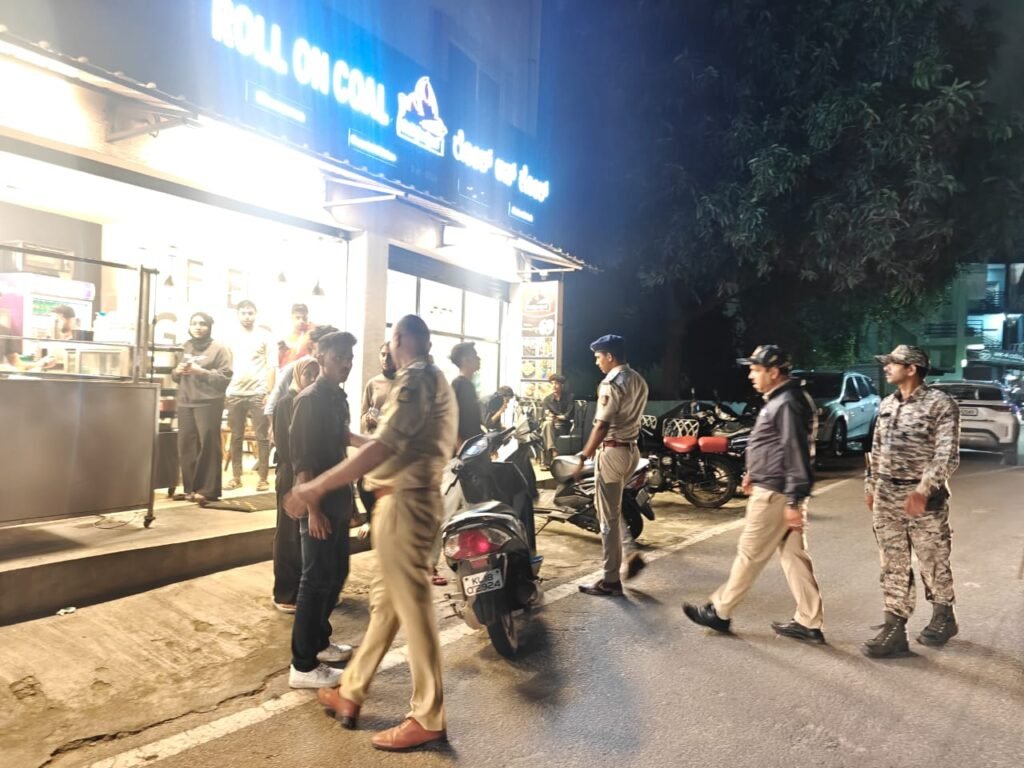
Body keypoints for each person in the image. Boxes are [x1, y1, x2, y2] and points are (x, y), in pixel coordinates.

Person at [285, 314, 457, 752]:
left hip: (405, 502)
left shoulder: (416, 378)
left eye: (389, 343)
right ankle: (352, 690)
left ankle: (428, 715)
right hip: (404, 501)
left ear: (400, 340)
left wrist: (315, 487)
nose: (348, 362)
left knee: (413, 608)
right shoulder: (432, 380)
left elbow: (383, 446)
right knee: (385, 606)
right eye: (341, 356)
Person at [682, 345, 825, 642]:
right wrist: (753, 472)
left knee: (750, 553)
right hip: (778, 488)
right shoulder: (783, 399)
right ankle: (809, 621)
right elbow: (774, 446)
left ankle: (720, 611)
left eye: (756, 370)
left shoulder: (787, 403)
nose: (751, 375)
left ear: (774, 372)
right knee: (794, 557)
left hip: (776, 494)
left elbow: (796, 453)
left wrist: (793, 501)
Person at [863, 345, 961, 658]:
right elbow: (876, 449)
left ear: (912, 368)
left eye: (892, 363)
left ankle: (944, 615)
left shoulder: (939, 404)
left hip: (923, 498)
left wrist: (923, 490)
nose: (886, 367)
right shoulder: (887, 403)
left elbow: (946, 455)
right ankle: (895, 628)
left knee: (932, 559)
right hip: (887, 496)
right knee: (892, 563)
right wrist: (871, 485)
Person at [286, 331, 360, 688]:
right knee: (314, 580)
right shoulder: (309, 400)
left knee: (336, 573)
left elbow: (342, 439)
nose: (346, 363)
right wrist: (313, 511)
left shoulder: (337, 397)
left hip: (339, 500)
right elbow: (302, 461)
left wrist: (372, 444)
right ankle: (302, 666)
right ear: (320, 358)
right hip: (319, 504)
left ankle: (320, 642)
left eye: (349, 357)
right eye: (339, 357)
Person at [577, 334, 649, 596]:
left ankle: (610, 580)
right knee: (611, 509)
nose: (597, 362)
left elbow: (602, 425)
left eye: (598, 357)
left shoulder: (611, 383)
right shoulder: (638, 380)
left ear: (610, 356)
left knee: (606, 519)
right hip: (631, 451)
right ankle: (629, 551)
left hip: (612, 452)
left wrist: (584, 456)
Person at [271, 356, 320, 614]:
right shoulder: (286, 403)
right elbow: (284, 444)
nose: (312, 379)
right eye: (307, 374)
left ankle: (306, 591)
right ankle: (285, 593)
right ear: (297, 375)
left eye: (315, 374)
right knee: (288, 536)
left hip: (309, 474)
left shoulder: (315, 402)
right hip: (290, 474)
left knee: (306, 538)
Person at [172, 312, 233, 503]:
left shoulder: (219, 349)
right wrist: (177, 371)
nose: (198, 327)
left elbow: (225, 378)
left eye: (202, 324)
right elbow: (174, 376)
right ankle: (190, 488)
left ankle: (208, 490)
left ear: (210, 326)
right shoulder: (184, 347)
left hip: (208, 402)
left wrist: (202, 372)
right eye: (194, 323)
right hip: (185, 401)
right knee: (186, 445)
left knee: (208, 445)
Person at [224, 300, 275, 492]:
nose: (247, 316)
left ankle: (263, 478)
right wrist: (226, 390)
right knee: (236, 436)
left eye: (250, 313)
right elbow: (227, 365)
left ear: (255, 314)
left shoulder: (265, 336)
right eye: (243, 313)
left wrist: (269, 392)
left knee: (262, 437)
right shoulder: (230, 336)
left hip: (258, 392)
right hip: (235, 392)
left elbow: (272, 366)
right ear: (238, 314)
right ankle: (236, 477)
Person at [265, 324, 338, 418]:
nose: (327, 351)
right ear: (312, 345)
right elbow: (271, 408)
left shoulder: (330, 372)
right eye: (324, 346)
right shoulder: (294, 368)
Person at [450, 341, 483, 448]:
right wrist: (460, 448)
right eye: (475, 356)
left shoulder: (469, 385)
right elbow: (451, 420)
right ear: (465, 360)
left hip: (473, 447)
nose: (479, 359)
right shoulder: (458, 385)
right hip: (463, 449)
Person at [361, 342, 397, 434]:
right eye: (383, 354)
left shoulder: (403, 383)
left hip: (394, 438)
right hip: (373, 436)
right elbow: (363, 415)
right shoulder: (372, 383)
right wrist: (368, 419)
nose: (386, 359)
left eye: (390, 356)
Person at [541, 373, 576, 466]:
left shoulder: (569, 397)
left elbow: (568, 415)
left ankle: (547, 459)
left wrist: (556, 417)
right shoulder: (547, 399)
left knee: (546, 427)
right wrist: (550, 416)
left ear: (562, 385)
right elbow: (544, 415)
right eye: (552, 383)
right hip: (551, 425)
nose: (554, 386)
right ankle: (554, 451)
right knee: (547, 424)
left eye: (556, 383)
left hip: (563, 426)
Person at [278, 303, 312, 369]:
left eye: (304, 318)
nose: (301, 321)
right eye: (298, 318)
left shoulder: (310, 335)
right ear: (291, 318)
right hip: (284, 372)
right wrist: (281, 353)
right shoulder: (284, 338)